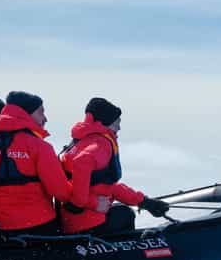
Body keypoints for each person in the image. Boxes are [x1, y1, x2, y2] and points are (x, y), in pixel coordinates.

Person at [0, 90, 75, 233]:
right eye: (41, 112)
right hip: (40, 225)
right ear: (26, 113)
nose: (45, 118)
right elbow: (60, 192)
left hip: (0, 226)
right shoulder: (40, 147)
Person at [59, 97, 170, 235]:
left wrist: (144, 202)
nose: (119, 127)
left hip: (70, 221)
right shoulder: (100, 145)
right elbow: (82, 162)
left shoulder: (80, 142)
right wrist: (79, 203)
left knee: (120, 211)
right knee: (125, 215)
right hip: (88, 223)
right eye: (116, 123)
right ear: (105, 122)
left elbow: (106, 186)